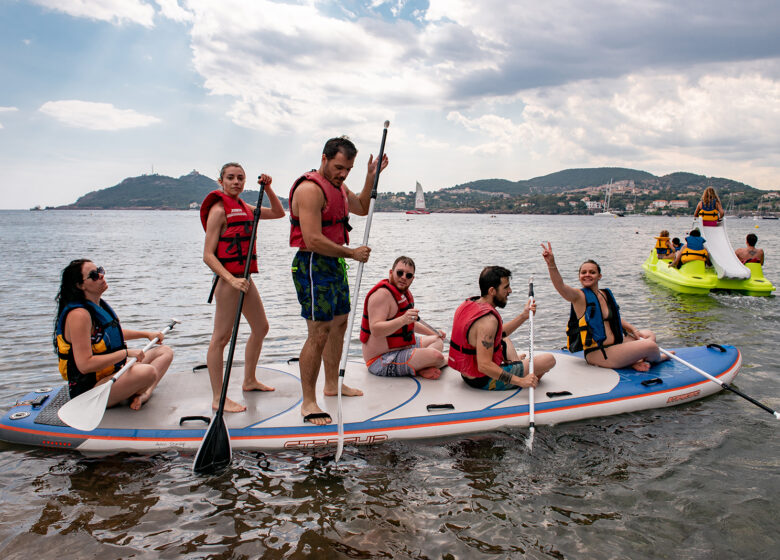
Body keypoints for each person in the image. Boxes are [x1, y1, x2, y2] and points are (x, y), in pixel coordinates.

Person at [289, 136, 389, 425]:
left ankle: (332, 384)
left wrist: (371, 177)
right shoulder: (310, 189)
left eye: (348, 169)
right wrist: (352, 252)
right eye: (338, 167)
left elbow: (360, 206)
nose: (343, 173)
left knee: (340, 323)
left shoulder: (338, 186)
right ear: (324, 158)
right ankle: (308, 401)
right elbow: (312, 238)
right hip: (312, 263)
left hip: (335, 263)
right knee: (318, 332)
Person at [201, 163, 286, 412]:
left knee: (261, 327)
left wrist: (269, 188)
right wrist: (230, 279)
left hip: (245, 278)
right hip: (229, 282)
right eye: (231, 178)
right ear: (221, 181)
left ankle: (249, 380)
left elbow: (279, 213)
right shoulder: (219, 211)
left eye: (240, 178)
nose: (236, 182)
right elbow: (208, 255)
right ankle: (218, 398)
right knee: (221, 338)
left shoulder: (244, 207)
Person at [53, 259, 174, 409]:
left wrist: (146, 334)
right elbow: (84, 365)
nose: (101, 276)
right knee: (148, 372)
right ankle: (143, 391)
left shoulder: (97, 305)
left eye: (100, 270)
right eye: (94, 275)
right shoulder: (79, 315)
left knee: (165, 352)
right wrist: (125, 353)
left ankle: (143, 393)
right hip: (91, 391)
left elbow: (110, 335)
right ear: (80, 285)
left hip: (114, 374)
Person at [541, 242, 668, 372]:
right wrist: (551, 264)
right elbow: (561, 286)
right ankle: (657, 359)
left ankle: (635, 361)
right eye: (583, 272)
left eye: (592, 272)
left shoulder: (605, 294)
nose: (587, 275)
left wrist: (633, 330)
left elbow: (614, 318)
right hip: (600, 353)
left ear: (599, 276)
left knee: (648, 334)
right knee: (650, 346)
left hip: (618, 344)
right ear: (579, 277)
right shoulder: (579, 297)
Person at [448, 266, 556, 390]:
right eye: (506, 287)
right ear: (492, 291)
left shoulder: (469, 305)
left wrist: (524, 316)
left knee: (504, 339)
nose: (510, 291)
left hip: (467, 374)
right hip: (484, 379)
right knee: (548, 360)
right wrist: (520, 381)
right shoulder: (488, 321)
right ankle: (518, 369)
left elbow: (499, 334)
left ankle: (516, 364)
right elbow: (484, 366)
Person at [360, 256, 447, 380]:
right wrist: (403, 320)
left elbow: (410, 324)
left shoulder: (404, 295)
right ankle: (443, 362)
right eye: (400, 273)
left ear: (412, 279)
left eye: (408, 275)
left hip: (404, 347)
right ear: (391, 272)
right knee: (437, 356)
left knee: (437, 340)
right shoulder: (381, 296)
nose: (403, 277)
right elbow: (375, 330)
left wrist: (435, 332)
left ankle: (422, 367)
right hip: (381, 360)